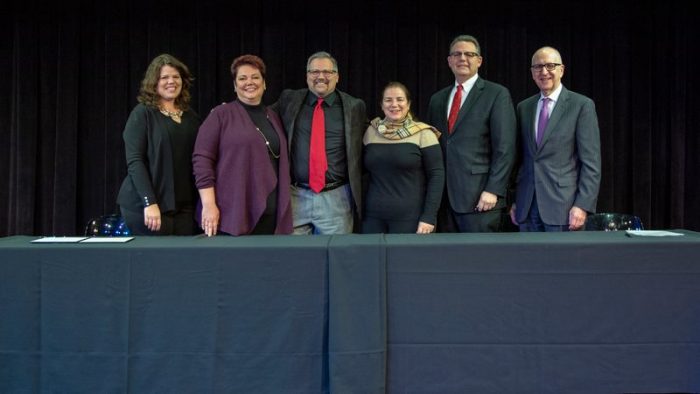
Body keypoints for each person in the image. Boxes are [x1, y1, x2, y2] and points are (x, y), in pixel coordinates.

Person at [192, 54, 292, 236]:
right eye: (242, 78)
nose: (249, 82)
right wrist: (209, 205)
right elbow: (202, 160)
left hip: (270, 215)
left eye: (255, 77)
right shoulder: (220, 115)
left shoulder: (274, 117)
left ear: (264, 83)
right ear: (235, 85)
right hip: (231, 215)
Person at [426, 35, 517, 232]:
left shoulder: (496, 94)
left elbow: (505, 148)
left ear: (479, 60)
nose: (462, 58)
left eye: (469, 54)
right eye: (457, 54)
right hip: (443, 202)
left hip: (481, 200)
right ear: (449, 61)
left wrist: (493, 189)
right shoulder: (437, 99)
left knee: (480, 261)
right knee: (447, 261)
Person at [274, 51, 367, 234]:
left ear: (337, 76)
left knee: (335, 258)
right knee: (292, 259)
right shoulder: (289, 100)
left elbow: (373, 130)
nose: (321, 77)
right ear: (307, 75)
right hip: (295, 196)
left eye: (327, 72)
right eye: (315, 72)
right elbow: (260, 119)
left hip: (336, 198)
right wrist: (230, 113)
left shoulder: (354, 106)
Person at [509, 46, 601, 231]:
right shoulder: (523, 108)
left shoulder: (581, 105)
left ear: (562, 70)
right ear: (532, 73)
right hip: (526, 208)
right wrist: (515, 201)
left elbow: (591, 163)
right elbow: (519, 160)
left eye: (550, 66)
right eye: (538, 67)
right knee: (527, 260)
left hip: (564, 208)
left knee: (562, 261)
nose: (544, 72)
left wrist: (582, 205)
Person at [117, 53, 200, 235]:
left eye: (176, 77)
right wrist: (150, 202)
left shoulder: (191, 116)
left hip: (183, 207)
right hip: (146, 207)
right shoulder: (143, 113)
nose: (171, 81)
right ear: (154, 82)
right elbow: (135, 160)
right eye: (164, 77)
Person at [362, 82, 444, 234]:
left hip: (411, 218)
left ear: (408, 104)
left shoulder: (424, 133)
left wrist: (429, 217)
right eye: (388, 100)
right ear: (381, 104)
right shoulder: (370, 132)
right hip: (372, 217)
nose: (394, 104)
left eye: (400, 99)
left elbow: (437, 177)